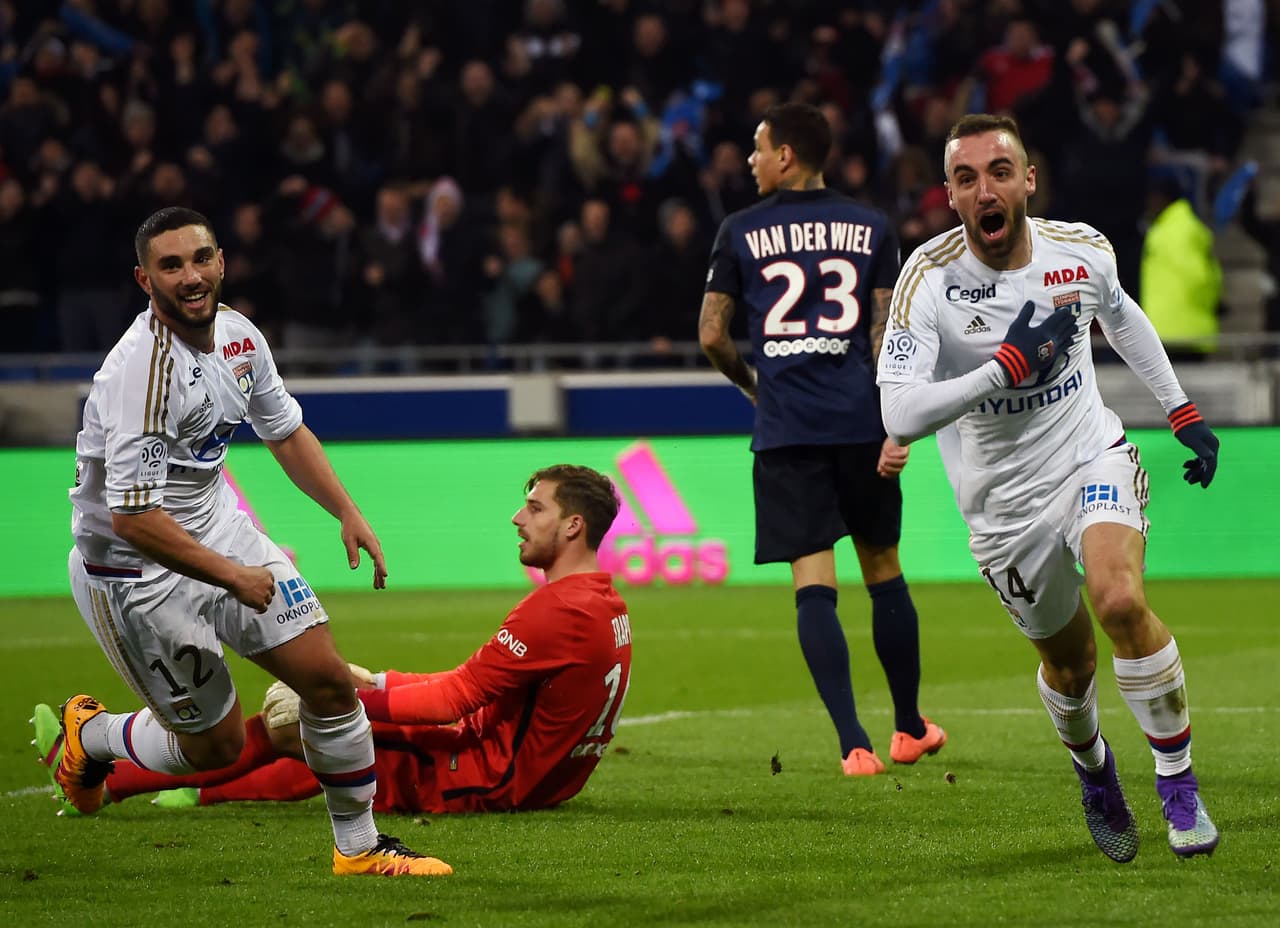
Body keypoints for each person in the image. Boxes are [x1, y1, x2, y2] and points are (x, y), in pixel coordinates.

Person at [52, 207, 450, 877]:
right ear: (144, 280)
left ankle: (358, 849)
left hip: (219, 529)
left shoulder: (237, 336)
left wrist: (345, 512)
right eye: (170, 266)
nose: (191, 275)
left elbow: (285, 431)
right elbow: (132, 520)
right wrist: (232, 578)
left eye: (200, 258)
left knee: (328, 683)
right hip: (135, 572)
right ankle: (90, 735)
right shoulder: (139, 377)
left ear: (222, 260)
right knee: (216, 748)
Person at [876, 113, 1221, 861]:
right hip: (1002, 507)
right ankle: (1095, 771)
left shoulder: (1081, 250)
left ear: (1028, 180)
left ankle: (1178, 786)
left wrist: (1180, 409)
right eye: (965, 178)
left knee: (1122, 600)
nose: (984, 189)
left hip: (1088, 457)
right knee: (1070, 665)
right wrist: (1001, 367)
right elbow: (898, 411)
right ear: (950, 194)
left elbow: (1121, 317)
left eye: (999, 171)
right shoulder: (927, 280)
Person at [33, 464, 633, 816]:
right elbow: (475, 688)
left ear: (573, 525)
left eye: (534, 507)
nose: (517, 518)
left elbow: (455, 700)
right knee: (312, 727)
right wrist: (369, 683)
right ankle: (153, 785)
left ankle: (101, 774)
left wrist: (343, 698)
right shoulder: (602, 603)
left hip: (484, 775)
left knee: (298, 727)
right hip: (530, 773)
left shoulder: (556, 611)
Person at [698, 101, 946, 778]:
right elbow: (886, 335)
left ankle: (852, 743)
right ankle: (908, 727)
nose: (749, 159)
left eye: (757, 146)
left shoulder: (740, 230)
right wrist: (895, 420)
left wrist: (754, 385)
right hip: (860, 426)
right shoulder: (871, 226)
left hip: (787, 430)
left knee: (814, 587)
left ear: (786, 155)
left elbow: (712, 334)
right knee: (884, 571)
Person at [1139, 174, 1222, 362]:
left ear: (1161, 197)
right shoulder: (1171, 225)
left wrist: (1208, 304)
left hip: (1178, 333)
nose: (1147, 203)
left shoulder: (1178, 229)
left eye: (1150, 197)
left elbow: (1199, 277)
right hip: (1176, 330)